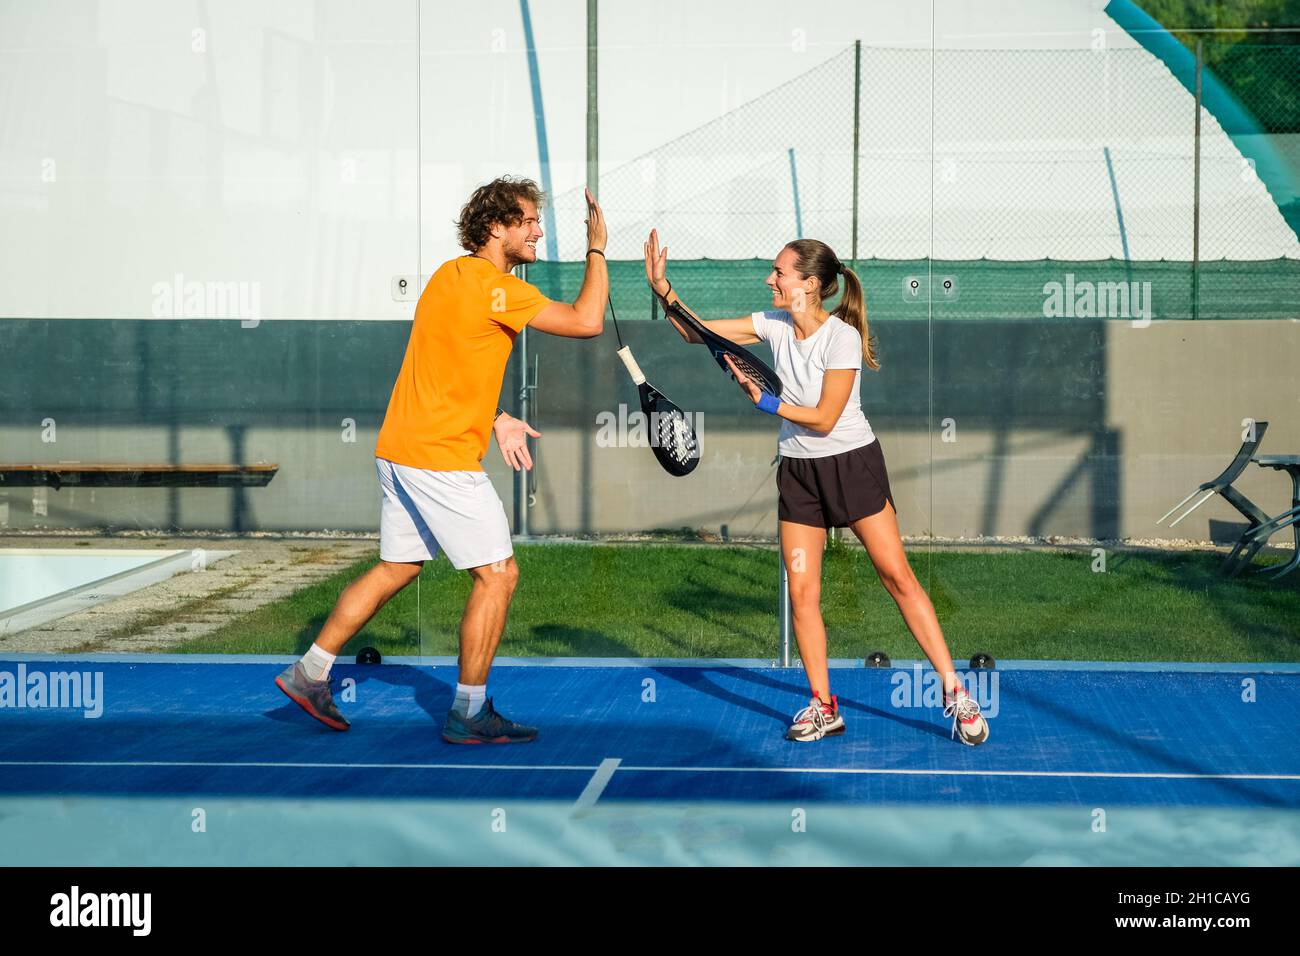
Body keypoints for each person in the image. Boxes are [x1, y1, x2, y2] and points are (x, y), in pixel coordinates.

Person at [276, 176, 609, 743]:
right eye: (527, 220)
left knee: (399, 567)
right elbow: (586, 320)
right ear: (495, 227)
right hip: (439, 457)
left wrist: (497, 415)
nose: (537, 229)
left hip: (398, 448)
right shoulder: (500, 288)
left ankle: (310, 672)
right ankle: (470, 711)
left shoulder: (447, 277)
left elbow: (452, 364)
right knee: (499, 574)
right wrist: (597, 248)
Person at [644, 229, 988, 746]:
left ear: (808, 285)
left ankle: (955, 691)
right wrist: (663, 290)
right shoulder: (774, 324)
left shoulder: (841, 337)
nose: (770, 279)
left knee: (897, 577)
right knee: (802, 592)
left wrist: (765, 404)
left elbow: (826, 418)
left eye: (779, 272)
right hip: (800, 474)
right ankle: (823, 706)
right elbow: (698, 333)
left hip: (851, 465)